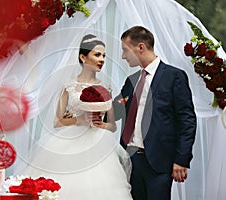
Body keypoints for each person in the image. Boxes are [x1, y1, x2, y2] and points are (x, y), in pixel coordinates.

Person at [22, 34, 133, 199]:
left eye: (104, 55)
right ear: (83, 57)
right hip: (70, 141)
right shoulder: (68, 86)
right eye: (97, 55)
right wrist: (79, 120)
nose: (102, 59)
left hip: (99, 144)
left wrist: (100, 124)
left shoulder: (105, 87)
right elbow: (58, 121)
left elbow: (112, 125)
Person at [113, 26, 197, 200]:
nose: (123, 56)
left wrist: (182, 159)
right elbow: (115, 110)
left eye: (125, 50)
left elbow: (187, 121)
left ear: (141, 47)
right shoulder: (131, 81)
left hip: (159, 163)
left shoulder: (174, 77)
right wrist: (88, 107)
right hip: (131, 161)